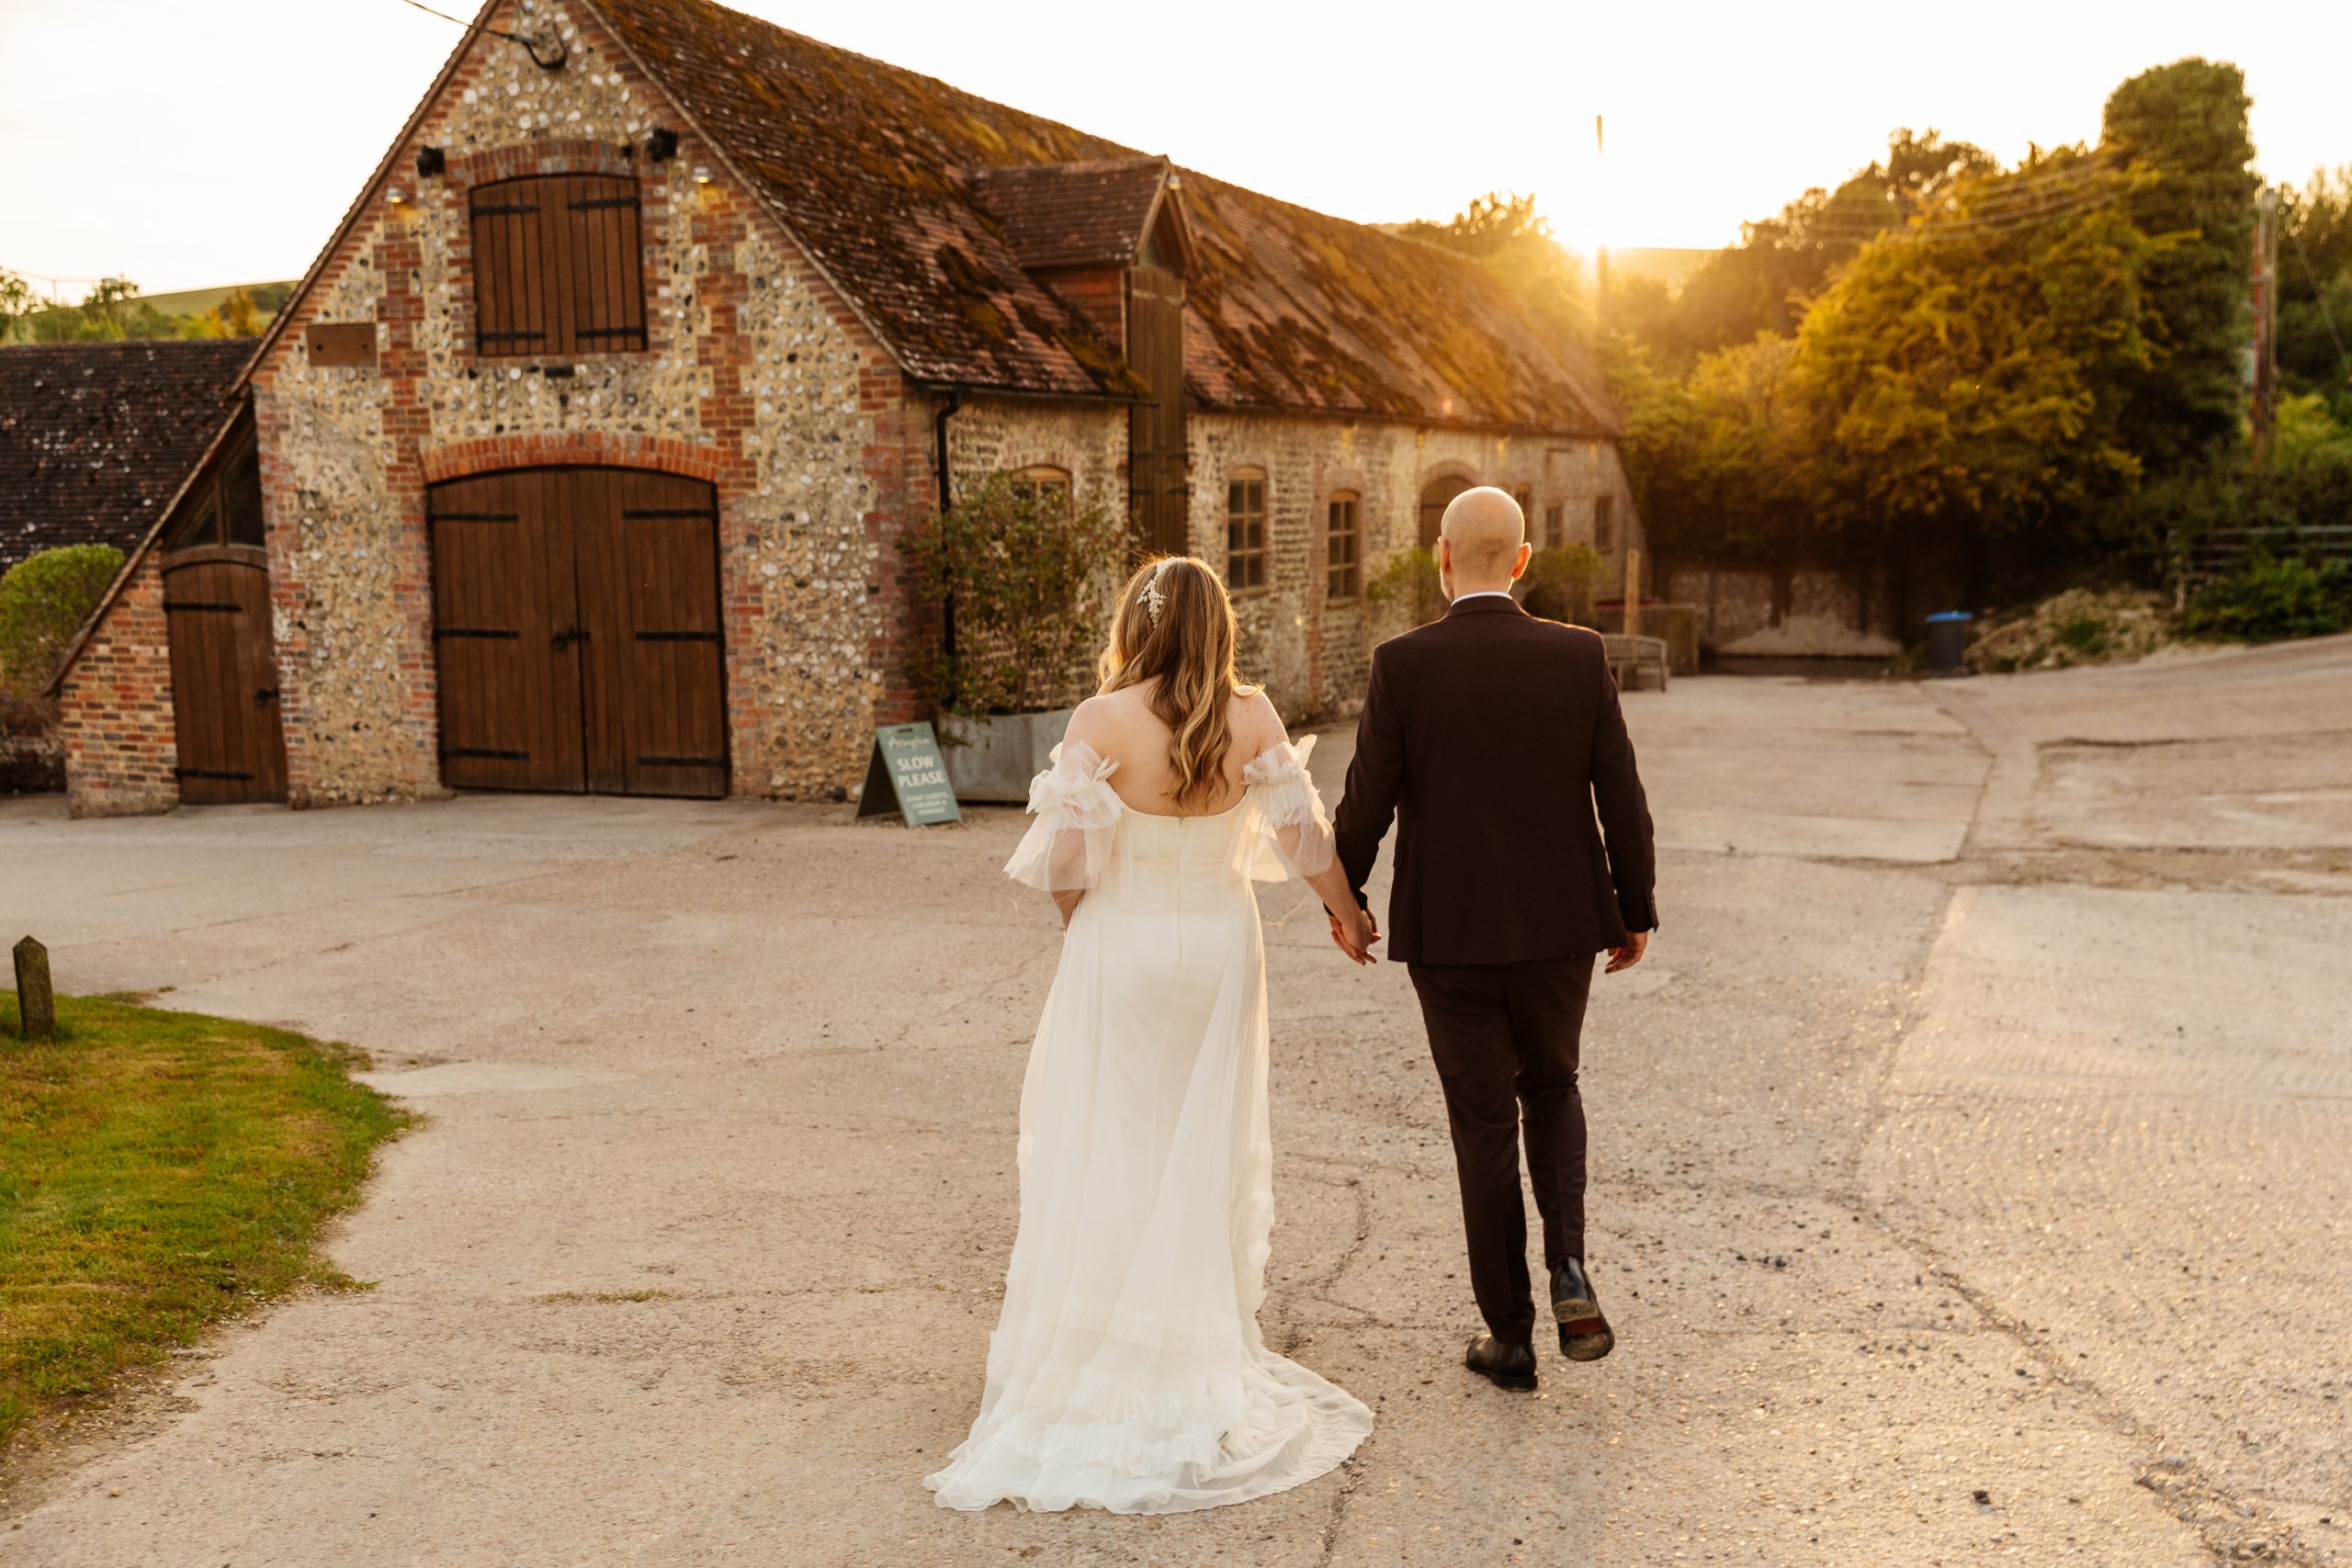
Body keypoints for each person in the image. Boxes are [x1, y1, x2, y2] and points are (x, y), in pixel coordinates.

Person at [926, 555, 1377, 1515]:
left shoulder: (1101, 722)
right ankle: (1186, 1334)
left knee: (1112, 1137)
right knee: (1198, 1136)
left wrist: (1087, 930)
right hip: (1219, 948)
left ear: (1137, 620)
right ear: (1220, 624)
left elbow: (1067, 865)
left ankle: (1103, 1337)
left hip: (1121, 948)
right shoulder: (1252, 717)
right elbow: (1305, 843)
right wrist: (1346, 914)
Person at [1332, 486, 1657, 1393]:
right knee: (1552, 1087)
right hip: (1560, 926)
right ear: (1520, 561)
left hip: (1452, 935)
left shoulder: (1404, 663)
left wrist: (1344, 899)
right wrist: (1632, 906)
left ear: (1443, 556)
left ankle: (1508, 1337)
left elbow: (1366, 801)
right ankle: (1568, 1265)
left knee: (1481, 1124)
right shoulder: (1578, 654)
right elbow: (1619, 797)